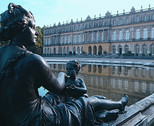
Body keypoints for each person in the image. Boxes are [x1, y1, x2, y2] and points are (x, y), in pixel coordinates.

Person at [0, 3, 128, 126]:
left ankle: (103, 108)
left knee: (53, 97)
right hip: (37, 121)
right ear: (21, 27)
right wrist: (62, 74)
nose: (37, 32)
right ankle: (119, 104)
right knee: (86, 102)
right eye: (33, 27)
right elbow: (58, 87)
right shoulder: (34, 60)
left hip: (10, 119)